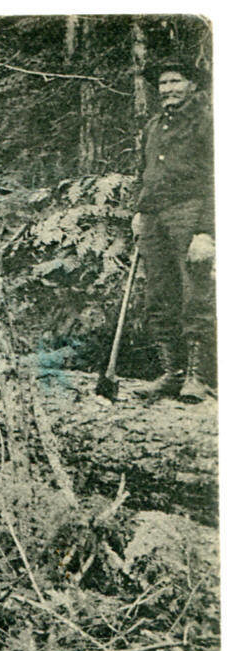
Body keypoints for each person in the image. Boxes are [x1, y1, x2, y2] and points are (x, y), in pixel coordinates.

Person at [132, 56, 215, 402]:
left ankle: (199, 378)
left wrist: (207, 231)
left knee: (195, 294)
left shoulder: (208, 122)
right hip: (155, 219)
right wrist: (139, 211)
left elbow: (219, 178)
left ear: (192, 85)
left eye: (175, 81)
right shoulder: (153, 126)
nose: (167, 89)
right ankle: (172, 373)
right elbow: (146, 173)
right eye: (163, 83)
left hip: (191, 214)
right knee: (158, 296)